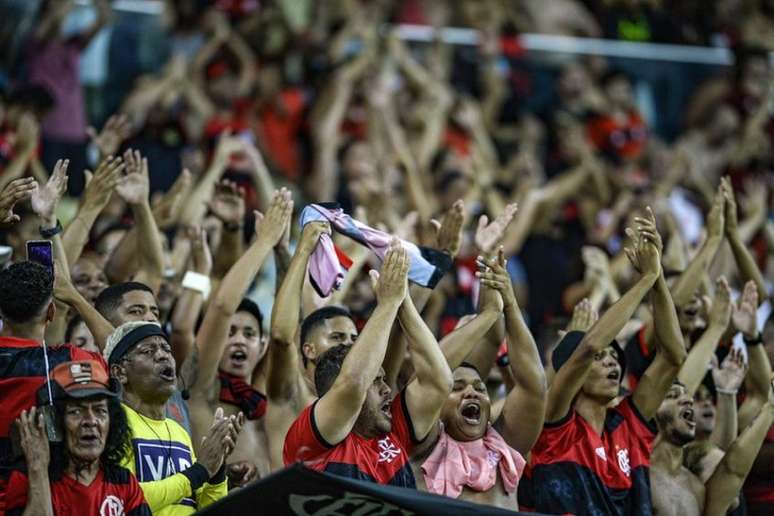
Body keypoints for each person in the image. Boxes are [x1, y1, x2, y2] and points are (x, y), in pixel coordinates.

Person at [519, 213, 686, 514]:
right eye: (601, 359)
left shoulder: (628, 427)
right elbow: (590, 346)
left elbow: (674, 357)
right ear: (575, 373)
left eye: (615, 358)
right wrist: (645, 280)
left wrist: (658, 277)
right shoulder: (556, 424)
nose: (612, 362)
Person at [283, 241, 453, 487]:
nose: (387, 389)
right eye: (375, 381)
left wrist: (402, 301)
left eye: (383, 379)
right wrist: (386, 304)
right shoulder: (310, 438)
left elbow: (439, 382)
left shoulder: (390, 430)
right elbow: (353, 383)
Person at [416, 249, 546, 510]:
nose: (472, 393)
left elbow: (534, 387)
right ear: (437, 399)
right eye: (458, 387)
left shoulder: (506, 444)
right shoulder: (420, 445)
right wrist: (488, 313)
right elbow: (432, 373)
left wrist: (509, 305)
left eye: (479, 387)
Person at [186, 188, 292, 483]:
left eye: (248, 334)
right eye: (230, 333)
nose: (238, 340)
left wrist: (282, 252)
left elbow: (286, 330)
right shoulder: (201, 389)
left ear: (262, 345)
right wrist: (263, 243)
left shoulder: (268, 399)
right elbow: (221, 307)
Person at [0, 262, 104, 512]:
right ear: (51, 313)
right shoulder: (69, 362)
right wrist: (75, 298)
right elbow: (123, 351)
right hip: (45, 497)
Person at [104, 321, 237, 515]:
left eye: (166, 349)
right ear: (120, 372)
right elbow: (124, 498)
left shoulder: (179, 432)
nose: (162, 355)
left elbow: (209, 508)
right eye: (148, 351)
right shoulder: (113, 423)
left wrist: (216, 469)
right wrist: (199, 471)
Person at [266, 220, 360, 468]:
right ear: (308, 349)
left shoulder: (363, 400)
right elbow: (282, 337)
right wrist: (302, 251)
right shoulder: (293, 392)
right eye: (337, 338)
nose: (347, 346)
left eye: (353, 339)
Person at [6, 359, 150, 515]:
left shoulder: (124, 482)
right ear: (54, 423)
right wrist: (38, 470)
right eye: (76, 411)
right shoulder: (27, 477)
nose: (91, 421)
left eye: (100, 410)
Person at [650, 378, 774, 515]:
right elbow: (671, 361)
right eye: (672, 395)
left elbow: (732, 469)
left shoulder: (696, 488)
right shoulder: (637, 473)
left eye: (686, 394)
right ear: (649, 412)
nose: (688, 400)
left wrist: (770, 408)